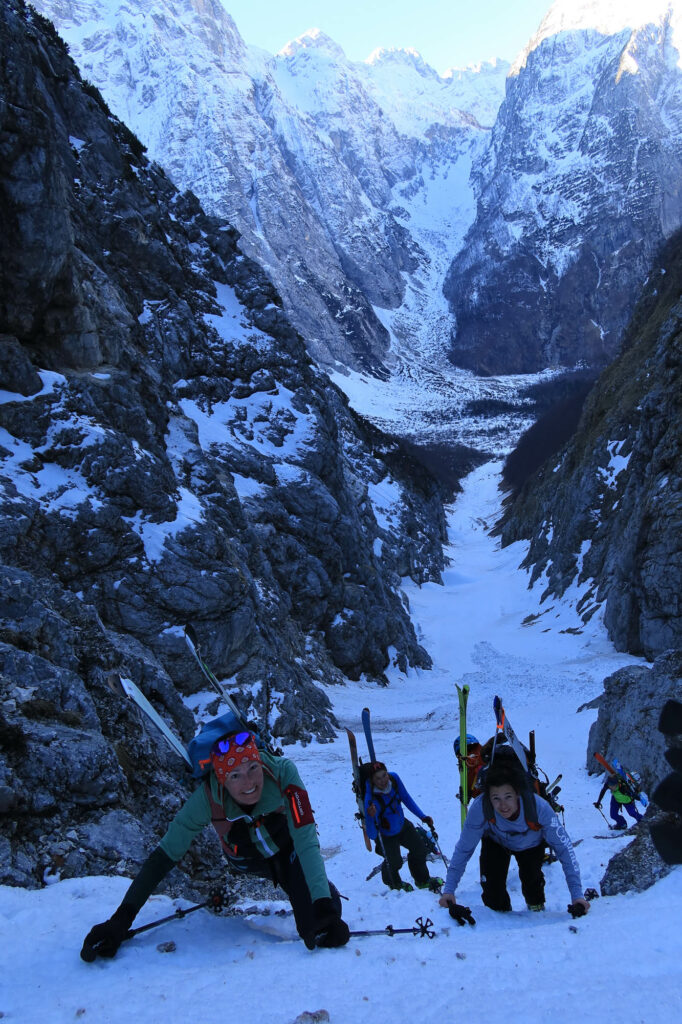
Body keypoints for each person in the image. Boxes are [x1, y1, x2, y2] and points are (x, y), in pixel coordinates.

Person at [81, 730, 350, 959]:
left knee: (317, 924)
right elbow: (165, 855)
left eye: (253, 768)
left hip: (289, 851)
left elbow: (305, 839)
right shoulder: (207, 798)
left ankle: (322, 892)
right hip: (246, 860)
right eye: (235, 775)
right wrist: (121, 920)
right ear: (222, 778)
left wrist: (322, 903)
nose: (249, 783)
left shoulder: (282, 773)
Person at [439, 761, 590, 916]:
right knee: (492, 893)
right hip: (496, 842)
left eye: (508, 796)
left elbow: (564, 849)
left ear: (518, 793)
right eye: (496, 798)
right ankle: (500, 917)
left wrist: (577, 896)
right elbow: (464, 849)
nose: (503, 805)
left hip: (530, 844)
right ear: (488, 796)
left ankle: (537, 913)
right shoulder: (480, 808)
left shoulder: (540, 808)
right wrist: (449, 890)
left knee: (533, 884)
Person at [364, 761, 443, 892]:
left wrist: (422, 816)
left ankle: (422, 880)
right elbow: (372, 834)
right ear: (372, 780)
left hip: (401, 824)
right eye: (377, 778)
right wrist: (370, 816)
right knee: (394, 862)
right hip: (385, 833)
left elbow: (406, 798)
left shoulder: (394, 779)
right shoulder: (370, 798)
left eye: (384, 775)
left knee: (419, 849)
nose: (383, 780)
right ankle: (394, 883)